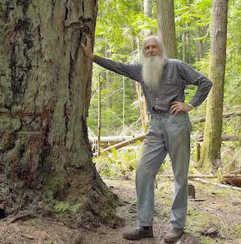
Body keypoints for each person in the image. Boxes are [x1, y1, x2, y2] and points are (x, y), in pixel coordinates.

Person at [81, 35, 212, 243]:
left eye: (154, 47)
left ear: (161, 49)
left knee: (179, 176)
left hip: (177, 123)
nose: (151, 50)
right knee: (143, 171)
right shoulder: (140, 70)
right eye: (147, 48)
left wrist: (191, 105)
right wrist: (92, 56)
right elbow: (118, 66)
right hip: (155, 125)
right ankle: (144, 225)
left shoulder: (176, 66)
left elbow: (205, 82)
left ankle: (176, 226)